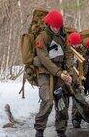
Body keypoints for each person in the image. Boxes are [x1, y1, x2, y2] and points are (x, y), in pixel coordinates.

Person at [33, 9, 74, 137]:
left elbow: (68, 54)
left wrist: (68, 71)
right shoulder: (42, 37)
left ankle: (61, 129)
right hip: (45, 73)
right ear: (48, 24)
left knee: (62, 101)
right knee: (48, 100)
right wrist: (58, 73)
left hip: (61, 72)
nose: (56, 29)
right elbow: (44, 58)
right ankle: (39, 130)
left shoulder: (63, 36)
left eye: (58, 26)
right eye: (53, 26)